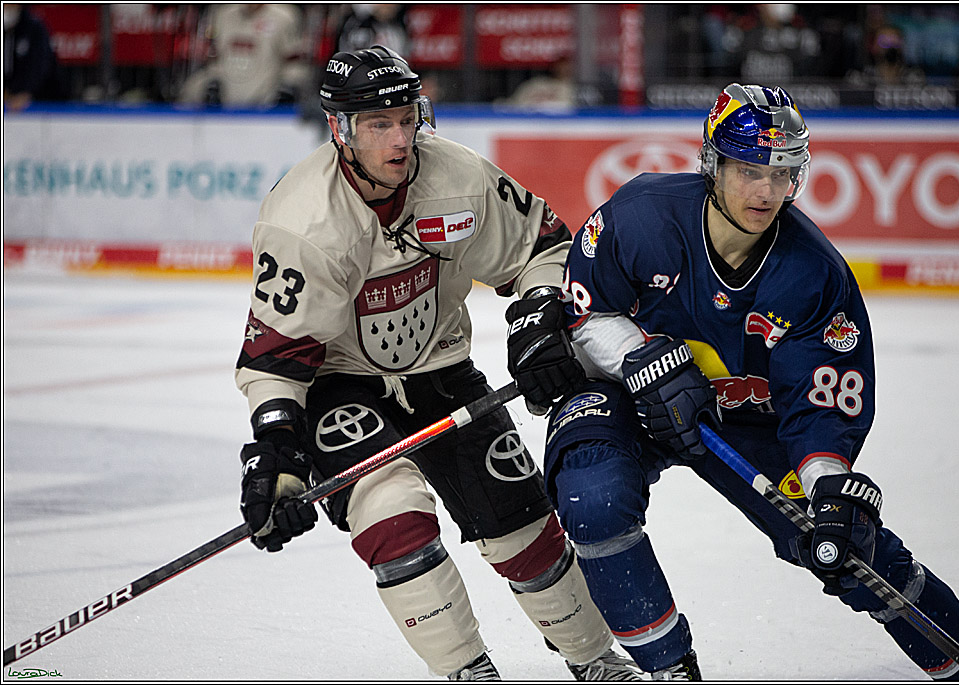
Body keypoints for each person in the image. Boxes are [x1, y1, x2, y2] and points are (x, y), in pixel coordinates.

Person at [538, 83, 959, 680]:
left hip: (744, 425)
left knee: (854, 550)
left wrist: (830, 488)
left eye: (782, 173)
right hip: (632, 398)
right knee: (592, 498)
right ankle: (668, 667)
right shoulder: (640, 216)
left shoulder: (813, 275)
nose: (766, 191)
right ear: (713, 164)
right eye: (751, 170)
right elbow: (588, 314)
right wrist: (641, 357)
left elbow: (819, 408)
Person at [233, 45, 640, 681]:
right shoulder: (303, 221)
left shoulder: (459, 176)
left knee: (522, 524)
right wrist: (277, 452)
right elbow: (276, 361)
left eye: (406, 118)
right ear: (340, 129)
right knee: (392, 514)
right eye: (378, 125)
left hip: (444, 372)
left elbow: (546, 249)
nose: (400, 139)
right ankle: (466, 670)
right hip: (341, 387)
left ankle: (597, 662)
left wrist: (538, 319)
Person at [178, 3, 308, 107]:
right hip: (224, 102)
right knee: (190, 91)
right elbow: (214, 58)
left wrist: (286, 89)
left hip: (266, 103)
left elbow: (295, 65)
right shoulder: (222, 14)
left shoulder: (285, 16)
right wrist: (213, 80)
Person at [2, 3, 65, 112]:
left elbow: (41, 66)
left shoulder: (34, 28)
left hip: (42, 101)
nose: (6, 9)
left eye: (9, 5)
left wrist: (26, 93)